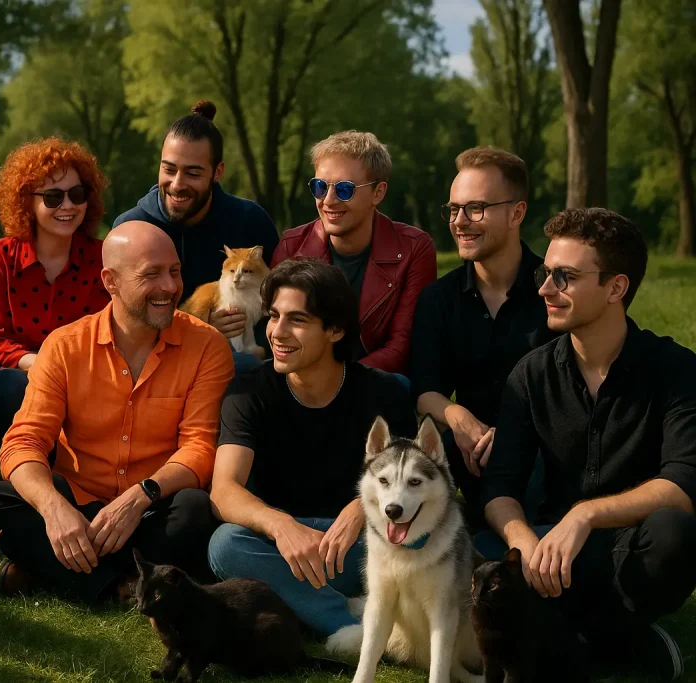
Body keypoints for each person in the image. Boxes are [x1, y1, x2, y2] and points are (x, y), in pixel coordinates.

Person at [478, 209, 696, 682]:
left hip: (627, 549)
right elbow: (500, 486)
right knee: (475, 554)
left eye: (565, 277)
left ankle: (582, 640)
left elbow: (683, 483)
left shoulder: (675, 370)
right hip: (548, 555)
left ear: (616, 288)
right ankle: (621, 641)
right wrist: (523, 544)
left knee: (676, 534)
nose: (544, 289)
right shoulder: (532, 374)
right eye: (545, 273)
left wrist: (585, 514)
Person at [0, 221, 234, 604]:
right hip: (78, 505)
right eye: (152, 274)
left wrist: (142, 496)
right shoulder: (64, 346)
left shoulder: (207, 346)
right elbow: (24, 441)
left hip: (151, 509)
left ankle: (55, 572)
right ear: (110, 281)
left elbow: (199, 446)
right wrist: (55, 509)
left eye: (174, 272)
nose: (170, 287)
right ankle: (120, 585)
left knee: (194, 510)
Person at [203, 257, 417, 638]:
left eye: (296, 320)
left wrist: (359, 511)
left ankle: (306, 601)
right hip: (282, 547)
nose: (277, 333)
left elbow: (408, 485)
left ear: (334, 330)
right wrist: (282, 526)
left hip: (364, 542)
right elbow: (224, 491)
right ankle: (353, 623)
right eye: (273, 316)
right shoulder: (248, 391)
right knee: (225, 546)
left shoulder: (384, 392)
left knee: (423, 535)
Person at [409, 147, 557, 528]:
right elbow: (425, 388)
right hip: (469, 454)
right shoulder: (439, 298)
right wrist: (458, 418)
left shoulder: (555, 291)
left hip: (543, 458)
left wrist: (510, 436)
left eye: (475, 208)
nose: (460, 222)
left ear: (516, 213)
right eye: (454, 209)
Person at [112, 100, 279, 371]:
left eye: (192, 173)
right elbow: (121, 323)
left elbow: (278, 304)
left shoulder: (250, 221)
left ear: (218, 172)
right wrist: (200, 327)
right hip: (153, 365)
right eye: (169, 169)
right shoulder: (131, 228)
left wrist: (256, 342)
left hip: (238, 365)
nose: (177, 184)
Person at [0, 138, 111, 450]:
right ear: (27, 201)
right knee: (6, 388)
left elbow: (106, 336)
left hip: (83, 379)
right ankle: (28, 462)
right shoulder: (0, 256)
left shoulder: (103, 258)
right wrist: (38, 365)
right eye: (52, 197)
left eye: (77, 194)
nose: (68, 206)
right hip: (17, 380)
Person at [271, 131, 436, 375]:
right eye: (319, 187)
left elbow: (401, 346)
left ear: (378, 193)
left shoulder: (414, 248)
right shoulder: (292, 246)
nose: (328, 200)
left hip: (374, 383)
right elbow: (276, 330)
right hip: (304, 380)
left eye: (345, 190)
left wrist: (339, 383)